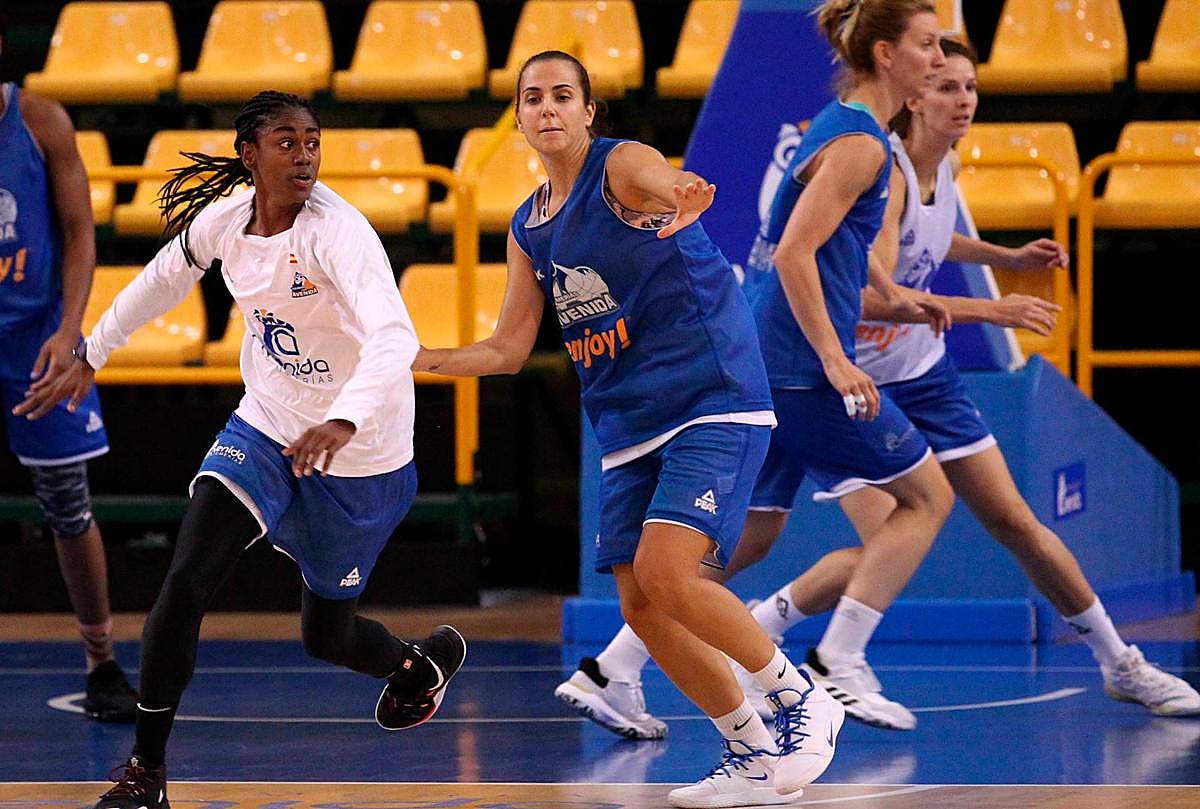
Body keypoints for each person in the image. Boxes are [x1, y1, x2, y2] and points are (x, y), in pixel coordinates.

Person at [415, 49, 844, 808]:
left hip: (710, 392)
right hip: (628, 423)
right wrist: (417, 359)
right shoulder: (527, 227)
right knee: (641, 602)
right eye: (532, 98)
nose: (547, 108)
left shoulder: (620, 168)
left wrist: (680, 190)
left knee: (674, 571)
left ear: (588, 112)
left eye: (562, 96)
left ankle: (799, 699)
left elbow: (659, 176)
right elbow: (509, 350)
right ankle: (746, 746)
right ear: (518, 117)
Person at [16, 90, 466, 809]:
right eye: (287, 142)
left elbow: (394, 338)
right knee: (186, 577)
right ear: (248, 155)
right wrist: (91, 352)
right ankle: (147, 770)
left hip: (359, 453)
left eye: (313, 140)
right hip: (265, 425)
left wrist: (344, 420)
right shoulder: (225, 222)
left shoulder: (339, 235)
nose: (306, 154)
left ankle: (417, 666)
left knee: (326, 635)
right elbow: (162, 278)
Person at [739, 36, 1200, 722]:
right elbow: (872, 293)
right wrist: (993, 306)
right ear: (914, 95)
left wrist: (1001, 253)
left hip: (924, 373)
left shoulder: (941, 167)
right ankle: (800, 645)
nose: (964, 100)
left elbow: (939, 235)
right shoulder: (882, 172)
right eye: (948, 85)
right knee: (887, 540)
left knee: (1014, 520)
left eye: (971, 87)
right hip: (863, 379)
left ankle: (1120, 662)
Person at [556, 0, 955, 737]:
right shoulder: (863, 143)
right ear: (886, 55)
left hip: (773, 357)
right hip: (800, 365)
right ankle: (838, 661)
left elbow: (831, 258)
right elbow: (798, 253)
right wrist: (837, 359)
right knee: (928, 499)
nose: (939, 59)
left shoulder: (844, 125)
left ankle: (611, 669)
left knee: (747, 541)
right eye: (927, 45)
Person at [0, 12, 137, 723]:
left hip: (35, 347)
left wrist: (70, 329)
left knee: (68, 504)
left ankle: (102, 660)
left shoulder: (40, 121)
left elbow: (82, 233)